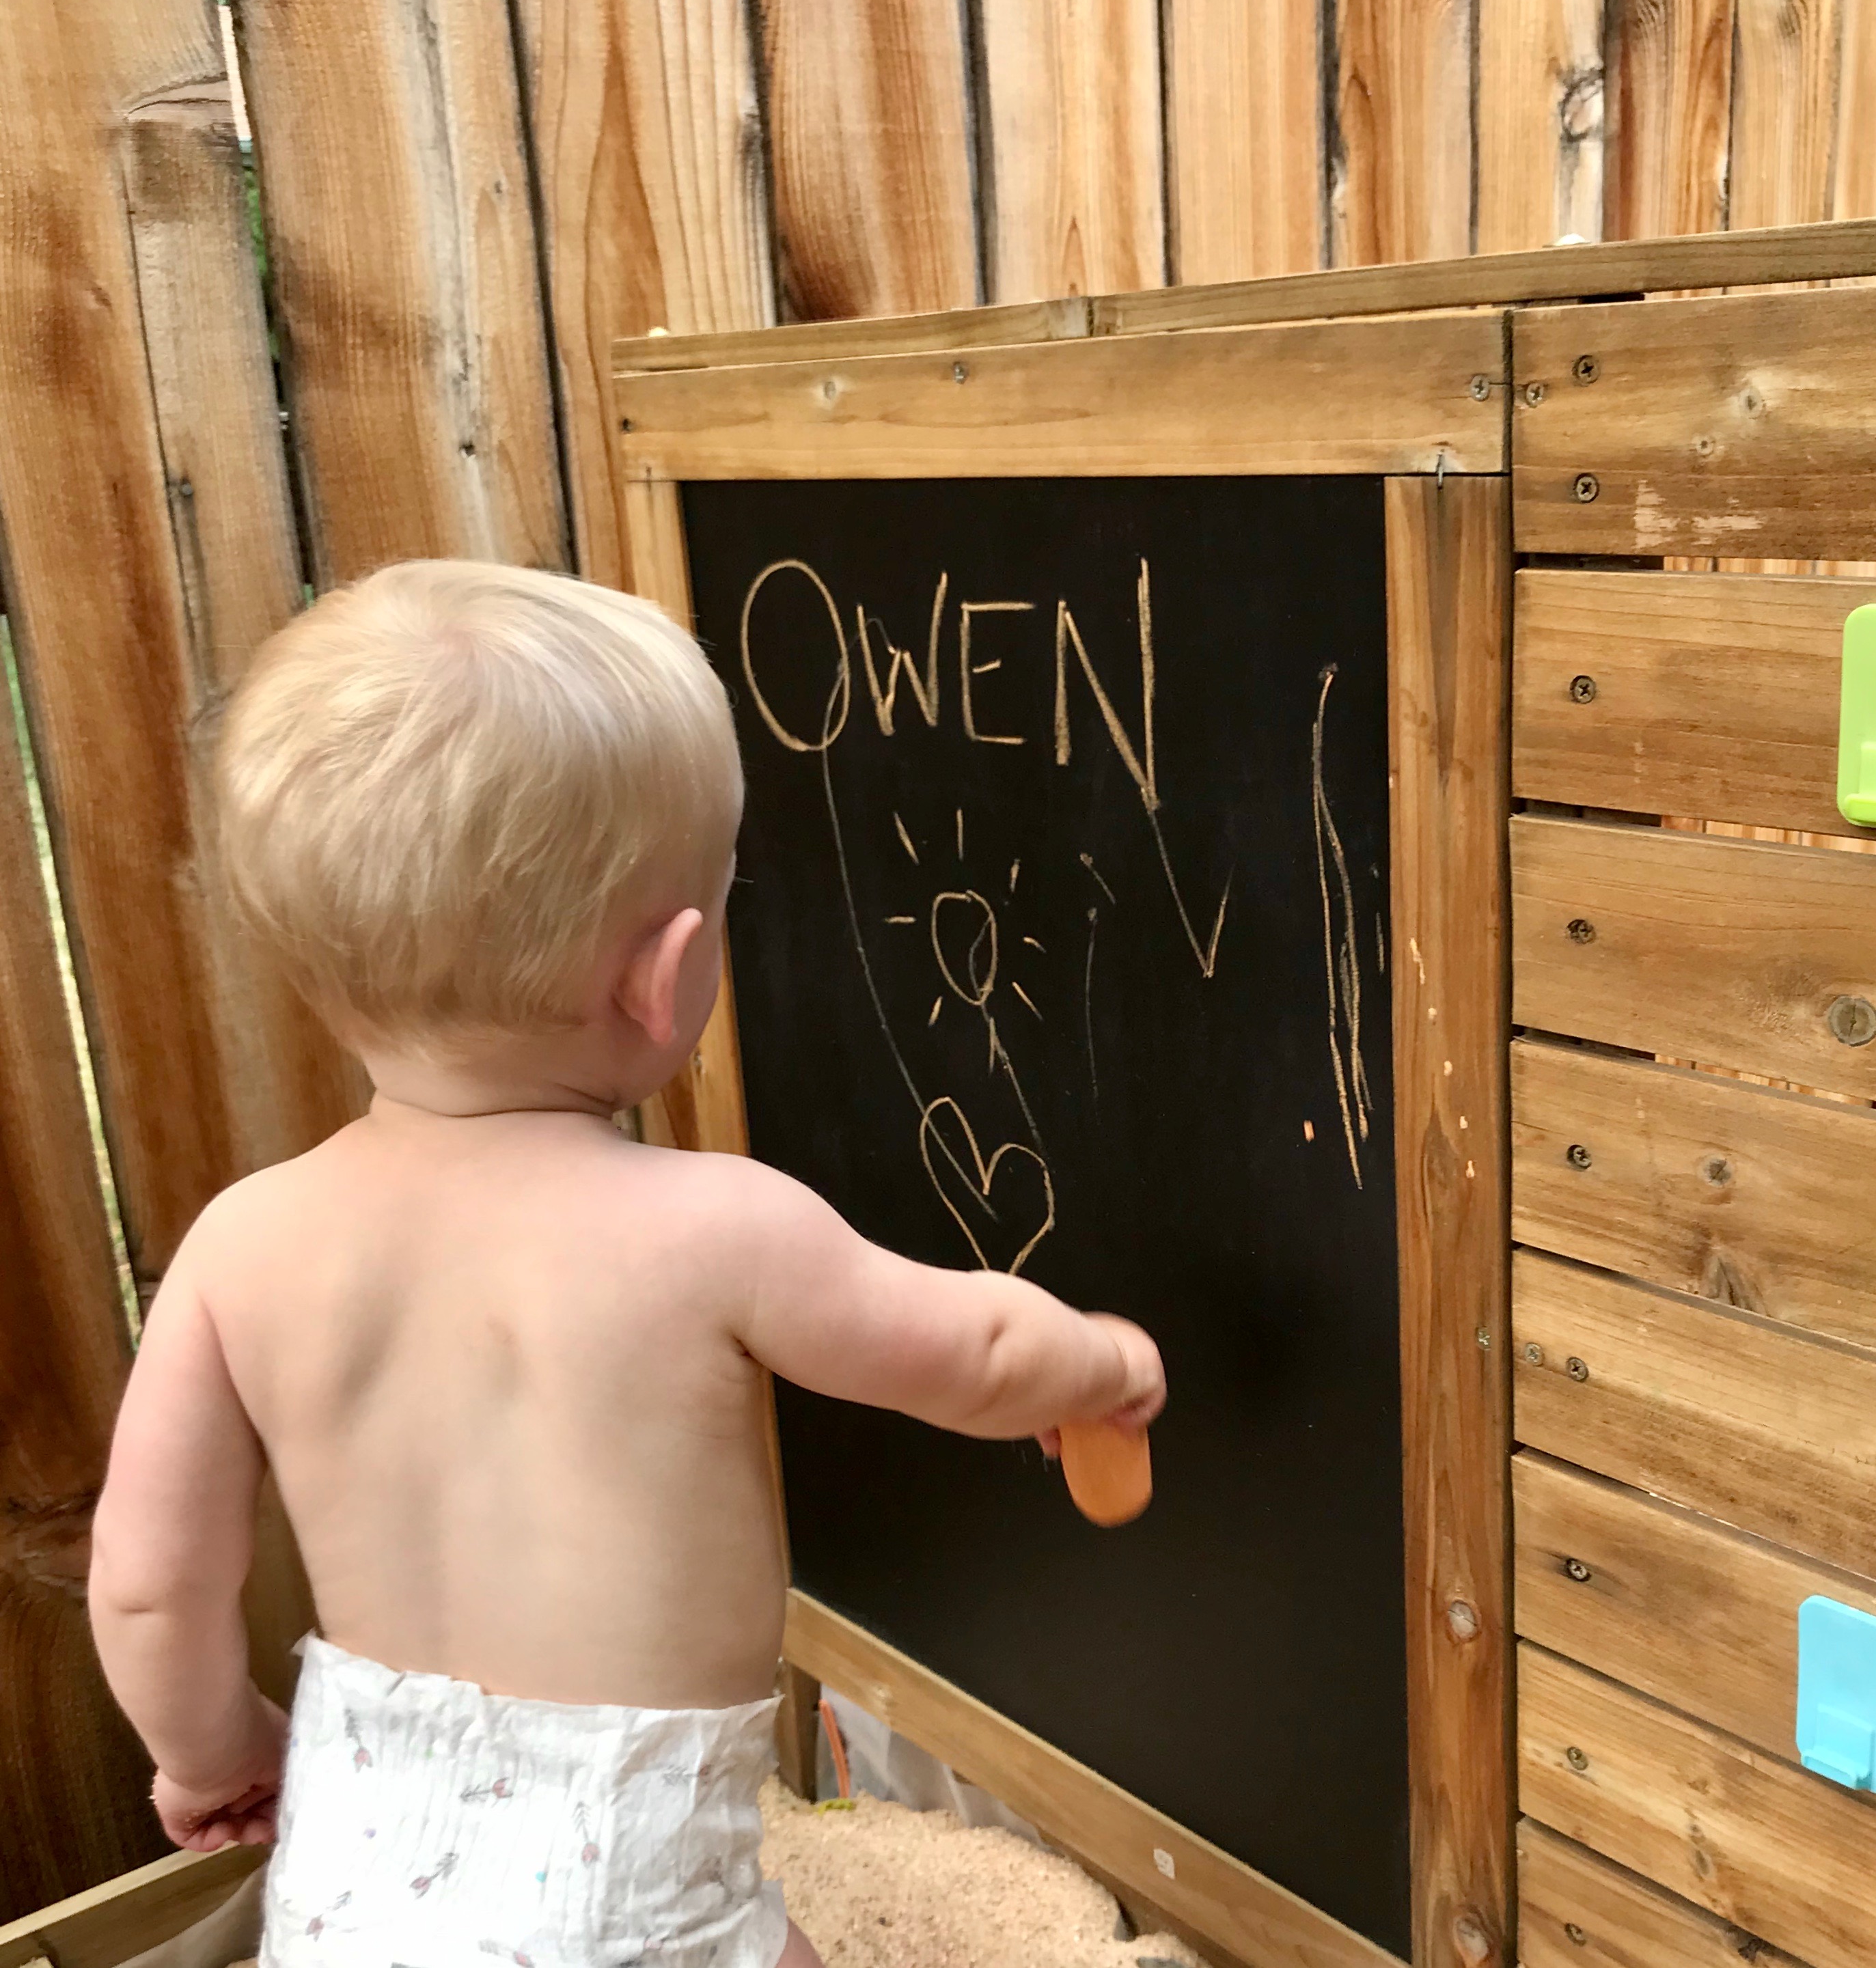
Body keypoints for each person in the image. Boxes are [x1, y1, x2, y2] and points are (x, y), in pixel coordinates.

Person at [87, 561, 1165, 1968]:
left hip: (357, 1873)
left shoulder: (242, 1241)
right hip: (630, 1888)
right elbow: (973, 1353)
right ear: (665, 976)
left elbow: (149, 1583)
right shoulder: (716, 1227)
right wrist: (1097, 1360)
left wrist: (215, 1751)